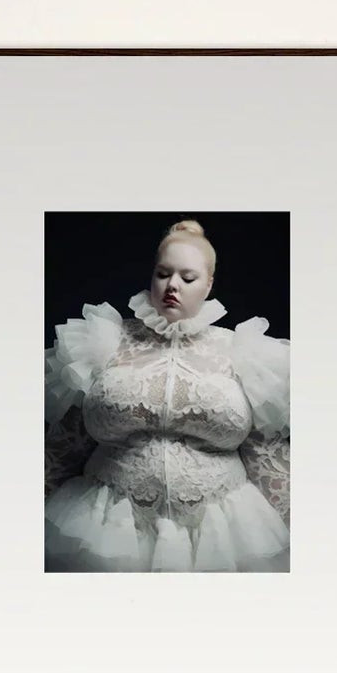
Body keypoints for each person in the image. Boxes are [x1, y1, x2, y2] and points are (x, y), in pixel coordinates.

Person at [45, 219, 291, 573]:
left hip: (223, 534)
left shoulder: (243, 353)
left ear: (208, 283)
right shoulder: (102, 343)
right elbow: (65, 445)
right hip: (105, 530)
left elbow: (266, 454)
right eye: (163, 273)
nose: (172, 285)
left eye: (187, 278)